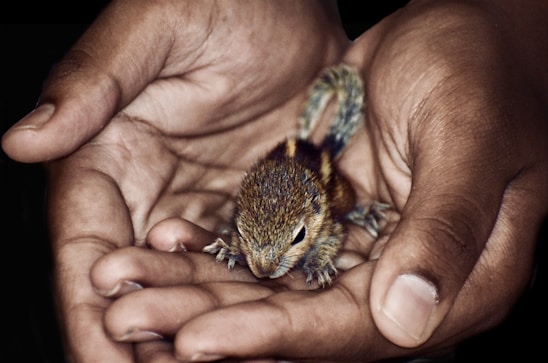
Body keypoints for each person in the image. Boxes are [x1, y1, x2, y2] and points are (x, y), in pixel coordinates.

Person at [2, 0, 547, 362]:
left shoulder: (322, 212)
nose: (266, 270)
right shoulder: (256, 214)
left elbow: (328, 228)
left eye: (288, 245)